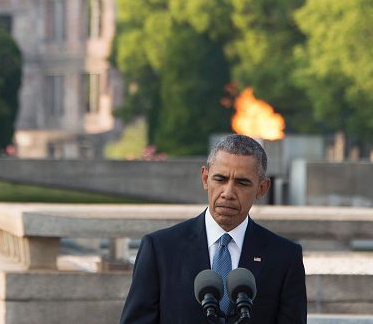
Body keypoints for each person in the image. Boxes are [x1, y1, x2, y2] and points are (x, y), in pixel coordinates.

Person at [120, 134, 306, 323]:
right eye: (220, 179)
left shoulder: (285, 257)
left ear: (262, 188)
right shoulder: (159, 249)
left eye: (242, 183)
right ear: (205, 178)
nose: (228, 193)